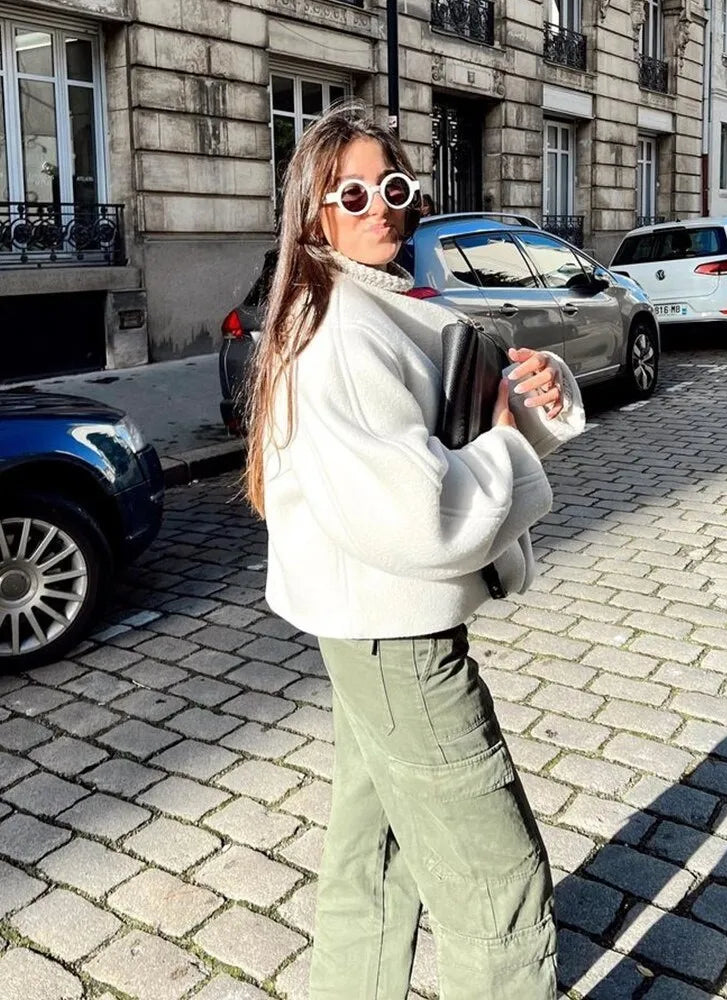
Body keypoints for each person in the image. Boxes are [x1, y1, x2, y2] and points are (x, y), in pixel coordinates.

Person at [245, 102, 585, 1000]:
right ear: (313, 211)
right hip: (398, 636)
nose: (378, 208)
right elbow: (419, 516)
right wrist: (507, 440)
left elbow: (436, 442)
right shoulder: (344, 331)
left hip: (366, 627)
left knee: (376, 852)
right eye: (350, 194)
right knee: (500, 887)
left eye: (391, 187)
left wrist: (533, 400)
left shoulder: (368, 298)